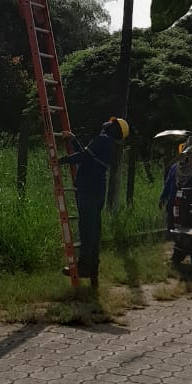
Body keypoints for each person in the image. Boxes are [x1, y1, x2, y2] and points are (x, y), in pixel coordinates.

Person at [59, 117, 129, 287]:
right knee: (94, 230)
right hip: (96, 190)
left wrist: (61, 161)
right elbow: (88, 155)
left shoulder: (103, 139)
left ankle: (84, 267)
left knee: (87, 229)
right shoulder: (107, 143)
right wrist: (73, 139)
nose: (106, 123)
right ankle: (93, 271)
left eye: (111, 122)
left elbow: (84, 156)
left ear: (114, 128)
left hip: (89, 190)